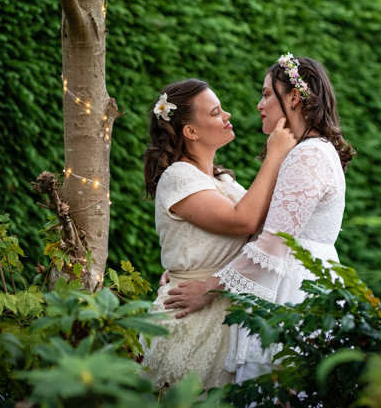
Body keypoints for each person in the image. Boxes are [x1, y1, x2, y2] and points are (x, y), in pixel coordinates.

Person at [164, 54, 356, 384]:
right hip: (292, 279)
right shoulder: (307, 151)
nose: (259, 104)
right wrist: (183, 267)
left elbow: (272, 244)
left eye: (267, 94)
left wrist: (207, 287)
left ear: (294, 97)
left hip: (294, 288)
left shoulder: (309, 155)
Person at [140, 78, 297, 390]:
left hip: (226, 309)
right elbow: (245, 222)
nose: (227, 115)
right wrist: (276, 153)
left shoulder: (222, 181)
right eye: (215, 112)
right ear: (191, 132)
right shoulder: (178, 177)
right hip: (195, 319)